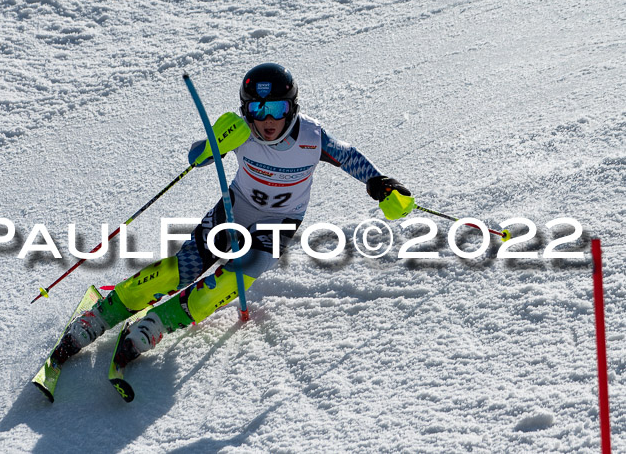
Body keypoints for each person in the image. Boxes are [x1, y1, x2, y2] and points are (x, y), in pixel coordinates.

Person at [51, 63, 413, 368]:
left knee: (227, 284)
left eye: (277, 109)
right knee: (178, 272)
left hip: (278, 226)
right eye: (257, 109)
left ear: (293, 108)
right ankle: (102, 315)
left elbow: (349, 157)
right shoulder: (240, 133)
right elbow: (197, 158)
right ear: (245, 110)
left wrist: (380, 183)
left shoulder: (312, 137)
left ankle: (157, 323)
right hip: (232, 210)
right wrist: (216, 142)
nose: (267, 120)